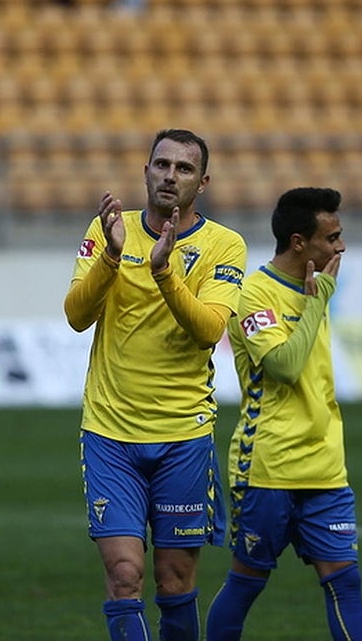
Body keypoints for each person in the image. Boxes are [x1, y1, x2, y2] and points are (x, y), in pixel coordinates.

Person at [63, 128, 247, 640]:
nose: (170, 176)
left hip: (183, 435)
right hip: (110, 431)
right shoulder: (108, 230)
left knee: (174, 579)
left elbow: (210, 329)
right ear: (145, 170)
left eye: (184, 168)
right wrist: (111, 258)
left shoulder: (223, 244)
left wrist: (165, 272)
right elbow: (77, 316)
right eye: (161, 164)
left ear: (202, 182)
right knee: (124, 576)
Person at [205, 187, 362, 641]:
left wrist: (317, 296)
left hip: (324, 465)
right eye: (332, 237)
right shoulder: (253, 294)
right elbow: (283, 365)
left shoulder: (313, 285)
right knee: (246, 583)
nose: (340, 247)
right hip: (268, 466)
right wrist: (317, 301)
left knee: (346, 583)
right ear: (300, 242)